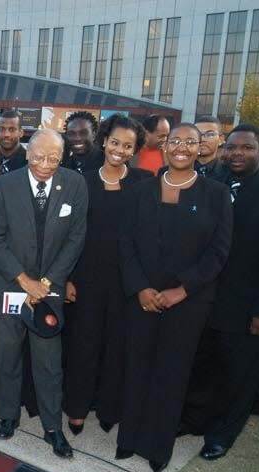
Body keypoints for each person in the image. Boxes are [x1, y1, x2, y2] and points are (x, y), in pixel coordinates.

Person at [117, 123, 232, 472]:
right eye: (175, 141)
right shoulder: (141, 190)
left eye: (190, 142)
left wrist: (181, 290)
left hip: (188, 302)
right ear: (165, 147)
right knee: (137, 368)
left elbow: (219, 252)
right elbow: (126, 244)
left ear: (201, 149)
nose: (181, 147)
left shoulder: (216, 194)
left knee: (172, 373)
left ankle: (157, 446)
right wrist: (141, 288)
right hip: (142, 297)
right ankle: (129, 440)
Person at [182, 124, 259, 461]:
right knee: (202, 366)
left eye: (247, 148)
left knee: (239, 376)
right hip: (203, 301)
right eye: (231, 147)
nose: (237, 153)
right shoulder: (209, 185)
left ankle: (223, 434)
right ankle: (195, 420)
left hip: (248, 307)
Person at [0, 129, 88, 458]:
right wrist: (24, 281)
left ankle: (52, 428)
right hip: (11, 286)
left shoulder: (74, 184)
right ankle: (8, 417)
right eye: (40, 157)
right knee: (7, 355)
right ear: (27, 155)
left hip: (49, 290)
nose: (46, 164)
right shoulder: (5, 185)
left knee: (49, 362)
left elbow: (76, 239)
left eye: (54, 158)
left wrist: (45, 284)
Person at [63, 115, 152, 436]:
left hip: (126, 282)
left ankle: (108, 408)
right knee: (83, 347)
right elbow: (69, 234)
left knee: (118, 348)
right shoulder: (81, 182)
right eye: (115, 142)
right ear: (103, 141)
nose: (119, 149)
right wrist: (68, 278)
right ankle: (76, 408)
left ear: (135, 150)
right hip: (85, 280)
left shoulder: (144, 182)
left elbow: (148, 237)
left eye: (128, 145)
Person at [193, 116, 228, 183]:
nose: (202, 139)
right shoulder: (178, 170)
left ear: (221, 139)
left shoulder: (229, 174)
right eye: (198, 134)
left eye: (210, 135)